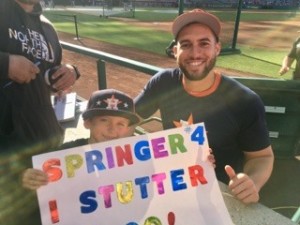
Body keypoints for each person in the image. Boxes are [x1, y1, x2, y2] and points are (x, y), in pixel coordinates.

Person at [134, 9, 274, 204]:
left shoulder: (245, 101)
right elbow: (128, 119)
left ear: (217, 48)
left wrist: (252, 182)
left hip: (222, 192)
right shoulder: (162, 83)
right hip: (173, 183)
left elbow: (262, 157)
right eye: (186, 45)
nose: (195, 53)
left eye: (204, 43)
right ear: (175, 51)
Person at [0, 0, 80, 224]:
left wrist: (69, 72)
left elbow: (45, 75)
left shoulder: (47, 27)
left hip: (44, 146)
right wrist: (5, 64)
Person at [22, 88, 140, 190]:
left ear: (128, 129)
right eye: (104, 120)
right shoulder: (63, 154)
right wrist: (28, 178)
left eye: (121, 124)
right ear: (87, 123)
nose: (112, 129)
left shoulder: (139, 158)